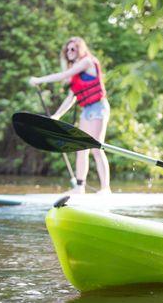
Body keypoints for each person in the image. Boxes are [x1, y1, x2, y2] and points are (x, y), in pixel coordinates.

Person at [29, 37, 111, 194]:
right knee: (81, 148)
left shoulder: (87, 62)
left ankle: (105, 188)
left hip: (98, 108)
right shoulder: (77, 75)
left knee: (96, 148)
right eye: (67, 50)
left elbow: (62, 75)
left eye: (73, 49)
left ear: (81, 49)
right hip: (87, 110)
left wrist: (39, 80)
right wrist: (57, 115)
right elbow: (71, 97)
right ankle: (80, 187)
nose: (69, 52)